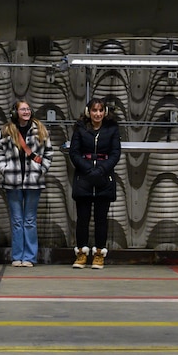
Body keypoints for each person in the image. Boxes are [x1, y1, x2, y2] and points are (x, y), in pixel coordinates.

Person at [0, 99, 53, 267]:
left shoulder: (40, 130)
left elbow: (49, 152)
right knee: (16, 220)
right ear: (15, 112)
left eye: (28, 109)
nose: (26, 112)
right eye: (23, 109)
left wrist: (41, 169)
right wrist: (4, 169)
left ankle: (29, 257)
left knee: (29, 220)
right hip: (12, 181)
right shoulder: (7, 130)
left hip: (33, 181)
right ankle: (17, 256)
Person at [68, 98, 121, 269]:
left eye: (100, 110)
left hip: (104, 178)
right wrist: (88, 169)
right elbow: (74, 153)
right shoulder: (80, 128)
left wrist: (101, 170)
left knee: (101, 219)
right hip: (84, 178)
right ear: (88, 112)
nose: (97, 114)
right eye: (94, 110)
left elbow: (115, 153)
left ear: (104, 112)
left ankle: (99, 254)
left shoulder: (112, 128)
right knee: (82, 219)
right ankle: (81, 254)